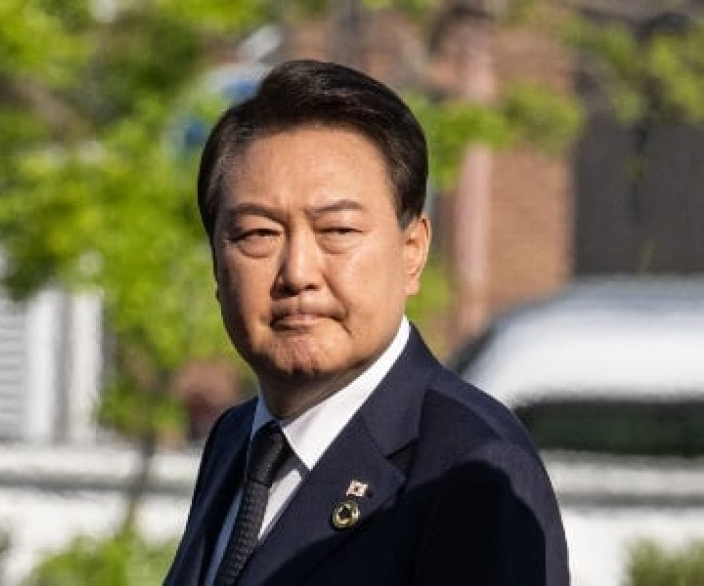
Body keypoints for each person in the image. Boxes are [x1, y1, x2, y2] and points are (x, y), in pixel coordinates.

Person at [164, 59, 569, 586]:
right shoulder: (236, 438)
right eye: (258, 234)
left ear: (412, 251)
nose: (298, 273)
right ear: (217, 264)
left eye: (337, 230)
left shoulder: (470, 468)